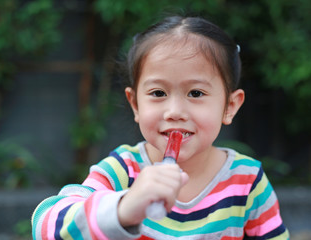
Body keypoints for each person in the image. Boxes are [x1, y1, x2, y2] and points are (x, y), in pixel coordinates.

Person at [32, 15, 289, 240]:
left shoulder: (247, 180)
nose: (174, 112)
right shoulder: (122, 171)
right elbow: (46, 226)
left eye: (196, 93)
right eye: (158, 92)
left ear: (230, 106)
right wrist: (123, 208)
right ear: (135, 104)